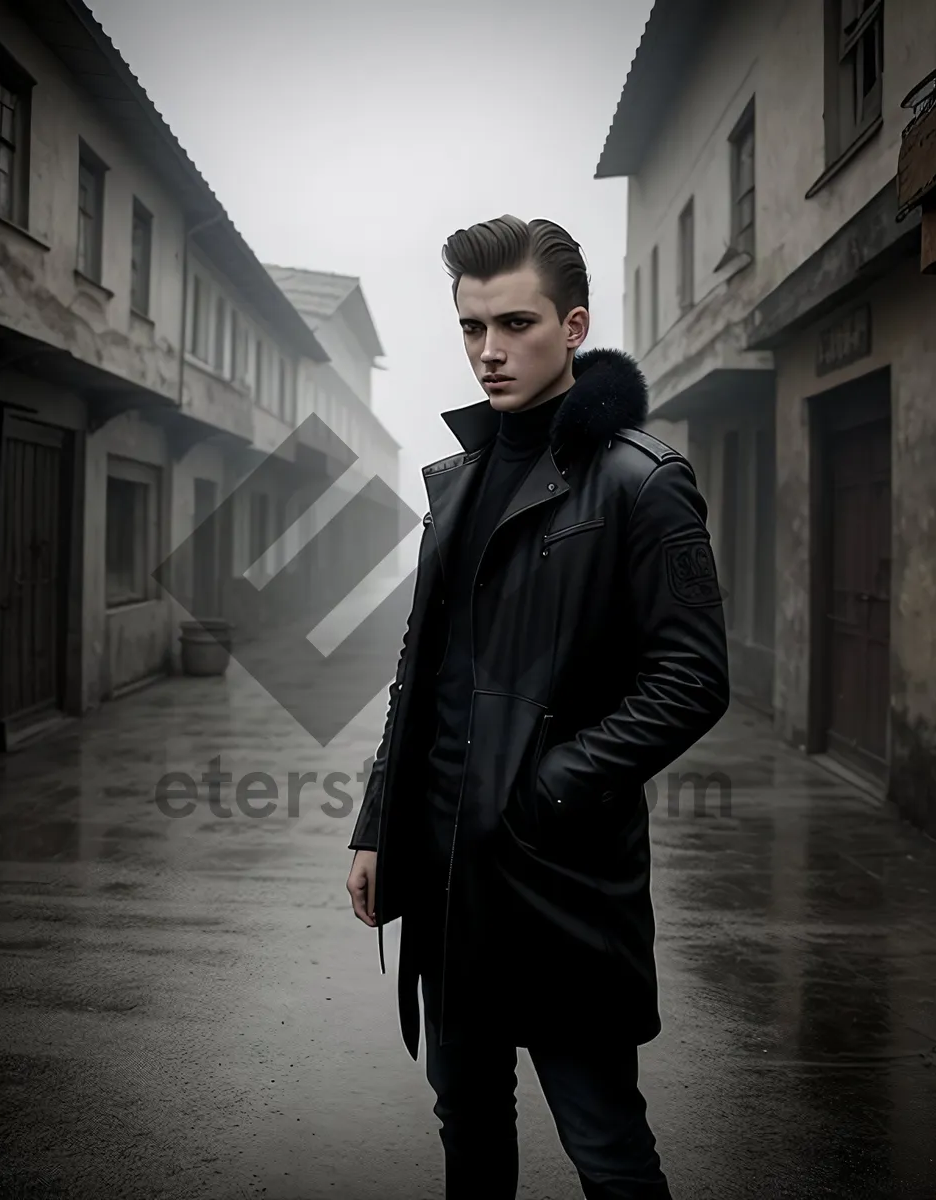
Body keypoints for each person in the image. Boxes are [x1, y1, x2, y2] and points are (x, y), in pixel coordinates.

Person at [345, 214, 729, 1199]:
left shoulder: (643, 483)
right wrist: (378, 820)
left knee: (604, 1142)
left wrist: (547, 786)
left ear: (573, 325)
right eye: (472, 328)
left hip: (560, 879)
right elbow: (420, 669)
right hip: (441, 876)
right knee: (467, 1128)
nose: (488, 351)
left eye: (513, 324)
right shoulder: (461, 482)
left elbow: (692, 679)